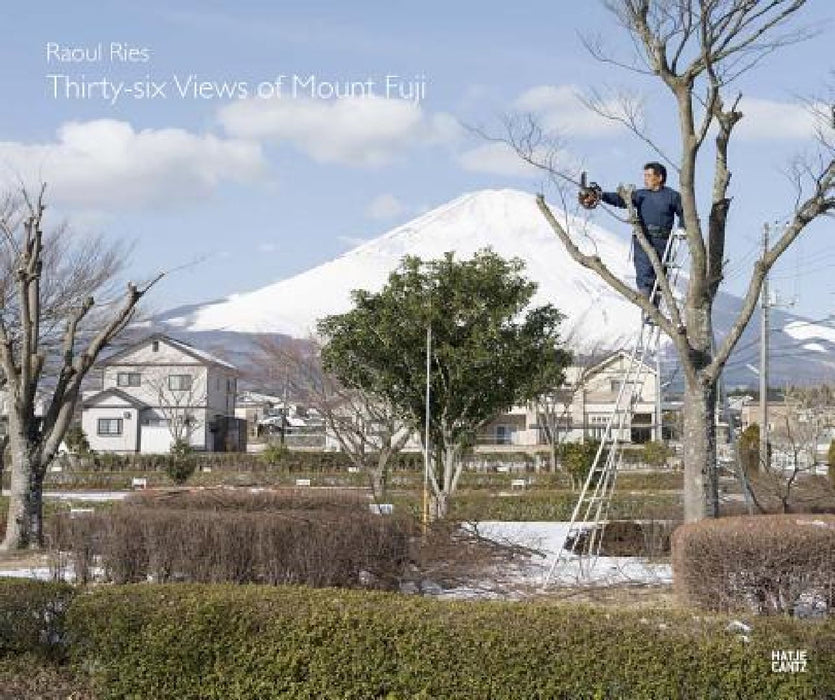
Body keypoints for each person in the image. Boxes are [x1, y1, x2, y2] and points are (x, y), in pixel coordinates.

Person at [579, 162, 683, 314]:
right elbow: (620, 199)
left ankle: (654, 311)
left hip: (663, 241)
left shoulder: (672, 196)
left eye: (648, 175)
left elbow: (685, 213)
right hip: (642, 239)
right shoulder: (640, 195)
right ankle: (647, 309)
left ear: (659, 177)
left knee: (659, 277)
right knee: (644, 274)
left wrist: (682, 229)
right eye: (644, 175)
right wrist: (600, 195)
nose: (645, 179)